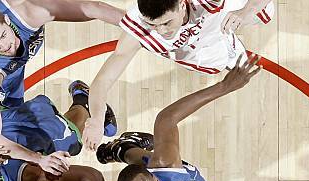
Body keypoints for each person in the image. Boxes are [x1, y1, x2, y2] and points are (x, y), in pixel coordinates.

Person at [88, 55, 261, 181]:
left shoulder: (166, 165)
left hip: (174, 176)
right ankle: (127, 161)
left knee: (154, 160)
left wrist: (225, 86)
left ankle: (121, 149)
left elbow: (167, 117)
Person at [0, 0, 123, 175]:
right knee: (13, 108)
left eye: (3, 36)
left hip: (4, 9)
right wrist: (38, 159)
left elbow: (91, 8)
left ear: (7, 20)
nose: (4, 46)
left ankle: (83, 103)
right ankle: (82, 101)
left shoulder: (28, 13)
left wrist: (142, 26)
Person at [82, 0, 274, 151]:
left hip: (218, 20)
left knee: (266, 10)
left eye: (167, 22)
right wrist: (97, 120)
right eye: (153, 24)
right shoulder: (140, 27)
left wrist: (246, 11)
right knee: (221, 64)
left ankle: (237, 25)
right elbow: (103, 80)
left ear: (182, 5)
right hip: (200, 51)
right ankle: (228, 48)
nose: (162, 30)